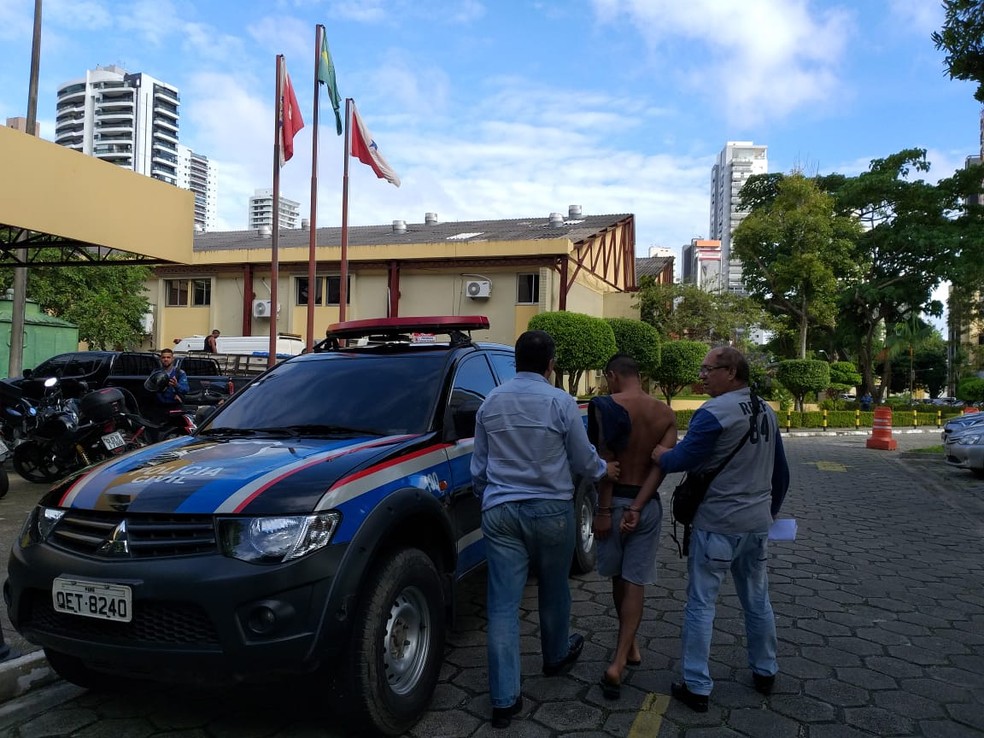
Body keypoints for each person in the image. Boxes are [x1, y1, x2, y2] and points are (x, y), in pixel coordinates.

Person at [471, 330, 619, 730]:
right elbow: (583, 459)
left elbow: (479, 469)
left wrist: (491, 498)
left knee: (502, 605)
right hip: (552, 511)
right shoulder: (560, 401)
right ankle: (555, 656)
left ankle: (504, 701)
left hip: (500, 512)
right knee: (554, 587)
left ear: (515, 362)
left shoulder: (490, 403)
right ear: (551, 364)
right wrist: (607, 470)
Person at [651, 345, 789, 713]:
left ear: (730, 372)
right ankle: (766, 670)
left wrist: (660, 455)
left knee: (701, 603)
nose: (702, 375)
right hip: (756, 526)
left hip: (717, 526)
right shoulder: (765, 411)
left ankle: (697, 684)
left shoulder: (714, 413)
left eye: (708, 368)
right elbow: (782, 475)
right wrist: (766, 513)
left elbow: (683, 459)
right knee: (757, 600)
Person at [588, 354, 677, 700]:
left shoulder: (604, 406)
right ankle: (631, 648)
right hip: (646, 505)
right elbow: (662, 466)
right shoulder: (665, 413)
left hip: (614, 504)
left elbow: (606, 461)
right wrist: (638, 507)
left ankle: (616, 664)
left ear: (613, 375)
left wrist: (605, 510)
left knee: (618, 578)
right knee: (635, 580)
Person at [154, 348, 190, 421]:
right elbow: (150, 388)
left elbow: (186, 390)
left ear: (172, 359)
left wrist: (176, 385)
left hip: (175, 407)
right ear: (160, 359)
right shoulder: (156, 372)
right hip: (159, 408)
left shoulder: (179, 373)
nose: (166, 359)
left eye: (168, 357)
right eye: (163, 357)